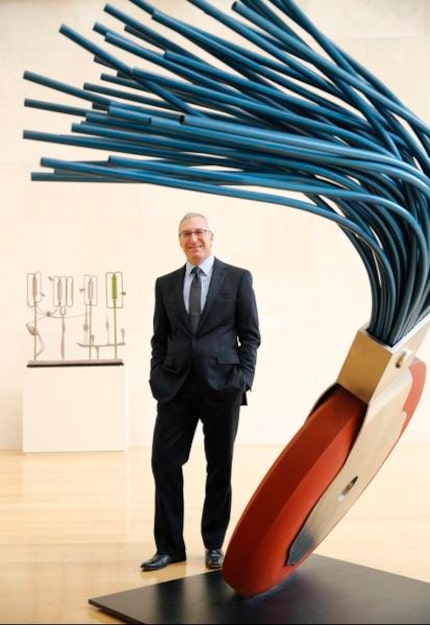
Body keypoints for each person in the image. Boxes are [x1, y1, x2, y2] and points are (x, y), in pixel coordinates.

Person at [141, 211, 261, 572]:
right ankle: (169, 547)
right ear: (179, 241)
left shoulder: (237, 278)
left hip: (223, 385)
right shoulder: (165, 284)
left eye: (198, 232)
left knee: (219, 465)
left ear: (211, 236)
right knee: (164, 461)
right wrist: (156, 375)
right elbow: (159, 338)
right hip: (176, 386)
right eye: (185, 234)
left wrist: (244, 377)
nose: (193, 239)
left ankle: (213, 544)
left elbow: (250, 335)